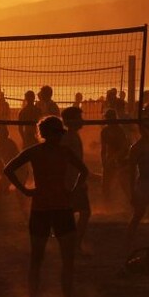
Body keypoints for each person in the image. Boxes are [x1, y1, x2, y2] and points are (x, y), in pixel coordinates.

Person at [3, 116, 88, 297]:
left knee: (64, 259)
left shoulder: (53, 151)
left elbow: (84, 171)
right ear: (46, 134)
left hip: (55, 208)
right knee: (40, 258)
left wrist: (72, 191)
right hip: (46, 208)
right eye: (54, 134)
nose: (56, 137)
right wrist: (24, 190)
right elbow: (8, 169)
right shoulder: (44, 151)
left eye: (58, 134)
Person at [125, 117, 149, 250]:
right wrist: (132, 192)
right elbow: (131, 172)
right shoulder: (136, 148)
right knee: (139, 214)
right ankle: (129, 241)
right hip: (144, 183)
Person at [61, 106, 90, 254]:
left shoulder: (72, 135)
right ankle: (74, 245)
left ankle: (72, 244)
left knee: (77, 212)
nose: (82, 120)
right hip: (72, 181)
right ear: (72, 120)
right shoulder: (68, 137)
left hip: (75, 180)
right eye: (80, 117)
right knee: (83, 212)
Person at [0, 124, 23, 219]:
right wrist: (5, 181)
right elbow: (0, 166)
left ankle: (24, 213)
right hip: (9, 171)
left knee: (20, 193)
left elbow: (17, 160)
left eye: (2, 133)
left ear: (5, 133)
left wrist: (7, 181)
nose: (0, 135)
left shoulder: (10, 144)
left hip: (18, 169)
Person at [99, 108, 129, 206]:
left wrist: (114, 158)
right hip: (110, 159)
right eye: (108, 118)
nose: (109, 120)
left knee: (123, 183)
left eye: (110, 118)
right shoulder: (105, 131)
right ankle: (107, 204)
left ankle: (126, 204)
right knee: (106, 184)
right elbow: (103, 149)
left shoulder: (119, 131)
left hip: (121, 159)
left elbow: (124, 148)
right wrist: (104, 162)